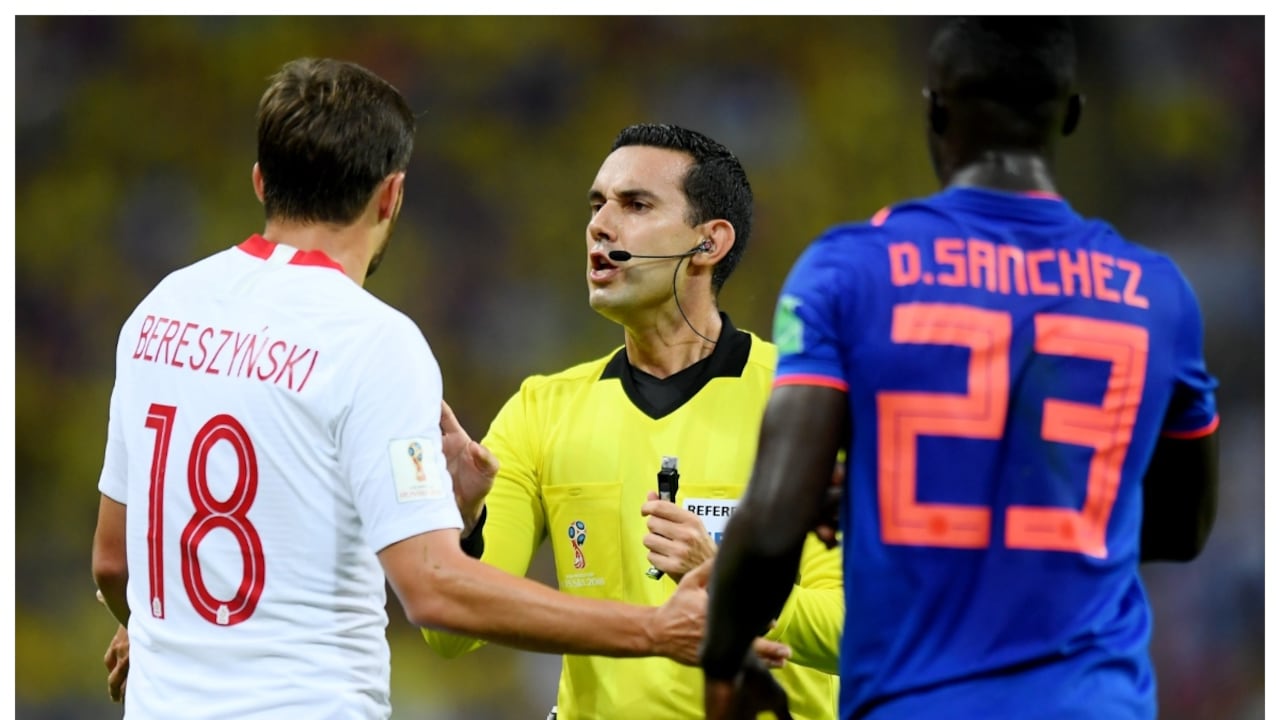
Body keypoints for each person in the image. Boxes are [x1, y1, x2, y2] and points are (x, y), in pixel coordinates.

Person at [88, 58, 747, 719]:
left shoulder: (162, 310)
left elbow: (114, 562)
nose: (602, 224)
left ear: (261, 182)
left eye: (632, 205)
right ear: (390, 196)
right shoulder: (371, 340)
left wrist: (159, 628)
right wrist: (653, 630)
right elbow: (435, 594)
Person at [700, 17, 1220, 720]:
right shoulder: (1157, 294)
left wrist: (726, 665)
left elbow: (770, 528)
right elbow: (1178, 532)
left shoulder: (850, 269)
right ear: (1070, 114)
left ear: (935, 109)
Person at [422, 123, 843, 719]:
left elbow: (860, 632)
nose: (600, 224)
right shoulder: (540, 410)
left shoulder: (807, 405)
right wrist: (458, 522)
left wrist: (733, 589)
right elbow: (451, 633)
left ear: (709, 243)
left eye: (636, 204)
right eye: (597, 205)